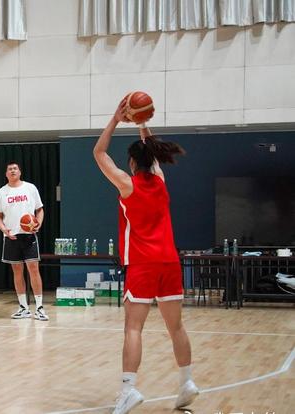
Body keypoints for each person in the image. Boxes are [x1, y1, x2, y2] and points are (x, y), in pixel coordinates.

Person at [93, 103, 198, 413]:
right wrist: (142, 123)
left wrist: (116, 119)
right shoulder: (161, 182)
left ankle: (129, 390)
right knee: (176, 327)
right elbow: (151, 154)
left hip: (142, 264)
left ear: (131, 162)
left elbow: (99, 153)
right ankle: (187, 382)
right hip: (169, 262)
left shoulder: (127, 184)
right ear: (152, 160)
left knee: (133, 329)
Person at [0, 162, 48, 321]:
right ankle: (23, 307)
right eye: (9, 169)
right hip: (11, 237)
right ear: (6, 174)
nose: (12, 171)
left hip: (29, 236)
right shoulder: (1, 193)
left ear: (20, 172)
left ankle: (39, 308)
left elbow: (40, 209)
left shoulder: (30, 188)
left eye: (15, 168)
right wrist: (4, 230)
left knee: (34, 270)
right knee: (17, 271)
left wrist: (38, 223)